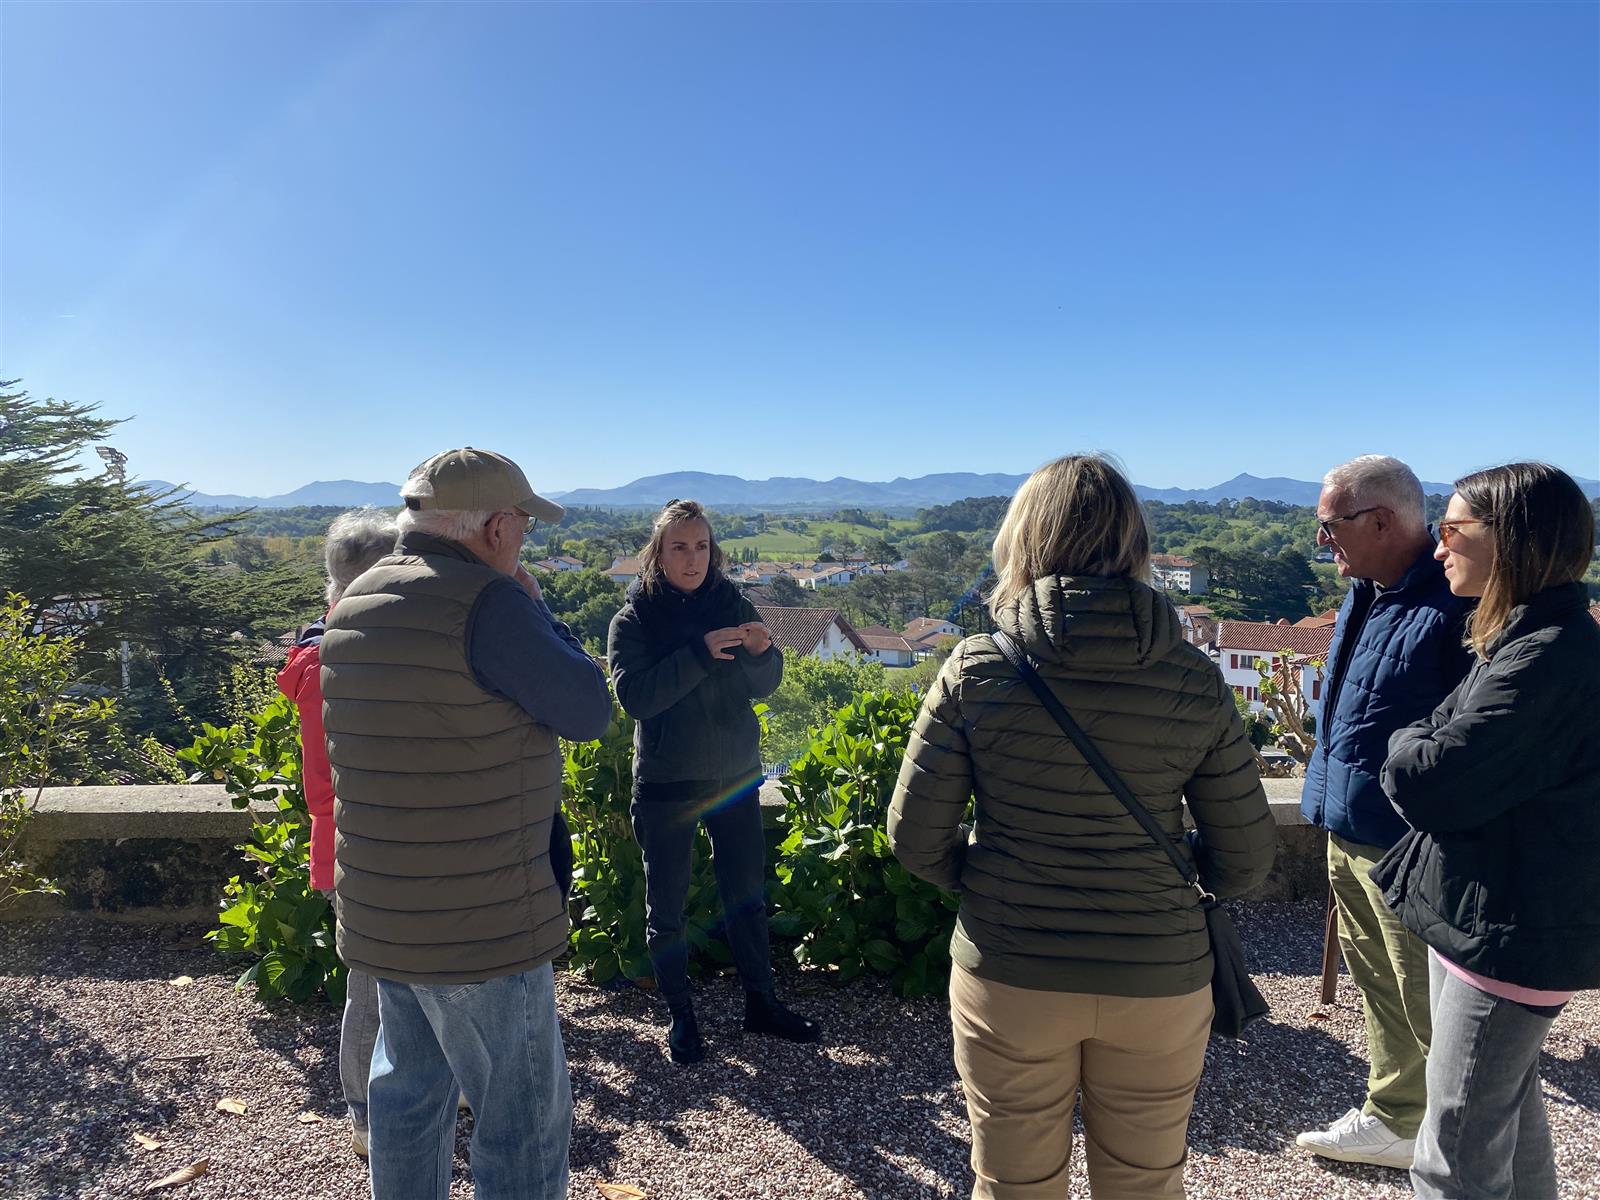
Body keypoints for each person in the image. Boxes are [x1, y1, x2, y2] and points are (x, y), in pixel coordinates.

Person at [888, 454, 1275, 1200]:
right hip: (1158, 973)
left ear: (1022, 541)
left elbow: (916, 841)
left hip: (1011, 967)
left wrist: (992, 877)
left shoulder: (975, 668)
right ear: (1134, 543)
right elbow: (1247, 858)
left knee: (1013, 1181)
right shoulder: (1193, 679)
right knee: (1145, 1183)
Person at [319, 447, 612, 1200]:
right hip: (483, 918)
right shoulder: (488, 603)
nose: (525, 537)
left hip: (387, 910)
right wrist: (537, 607)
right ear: (491, 527)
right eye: (521, 522)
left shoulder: (354, 602)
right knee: (520, 1117)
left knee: (406, 1096)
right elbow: (587, 707)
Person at [1373, 462, 1600, 1200]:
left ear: (1512, 540)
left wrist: (1407, 741)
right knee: (1506, 1116)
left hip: (1507, 925)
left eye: (1452, 530)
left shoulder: (1546, 658)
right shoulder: (1532, 639)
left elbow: (1428, 781)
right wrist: (1423, 738)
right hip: (1494, 917)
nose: (1438, 548)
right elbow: (1440, 747)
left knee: (1454, 1153)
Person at [1295, 455, 1473, 1170]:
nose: (1322, 542)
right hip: (1347, 829)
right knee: (1380, 986)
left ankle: (1455, 1147)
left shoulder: (1455, 605)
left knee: (1431, 1004)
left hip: (1409, 848)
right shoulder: (1370, 592)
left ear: (1380, 521)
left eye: (1329, 526)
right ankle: (1397, 1115)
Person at [607, 498, 820, 1065]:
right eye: (679, 546)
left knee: (747, 897)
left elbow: (764, 686)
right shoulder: (634, 619)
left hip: (733, 777)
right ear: (658, 553)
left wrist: (761, 653)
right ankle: (681, 1017)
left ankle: (761, 1003)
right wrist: (700, 654)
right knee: (667, 908)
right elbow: (636, 698)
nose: (692, 557)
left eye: (701, 546)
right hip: (667, 783)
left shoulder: (732, 601)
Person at [276, 507, 398, 1158]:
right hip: (362, 840)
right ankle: (365, 1114)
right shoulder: (342, 661)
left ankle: (389, 1103)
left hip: (342, 842)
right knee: (373, 988)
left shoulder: (319, 652)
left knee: (385, 984)